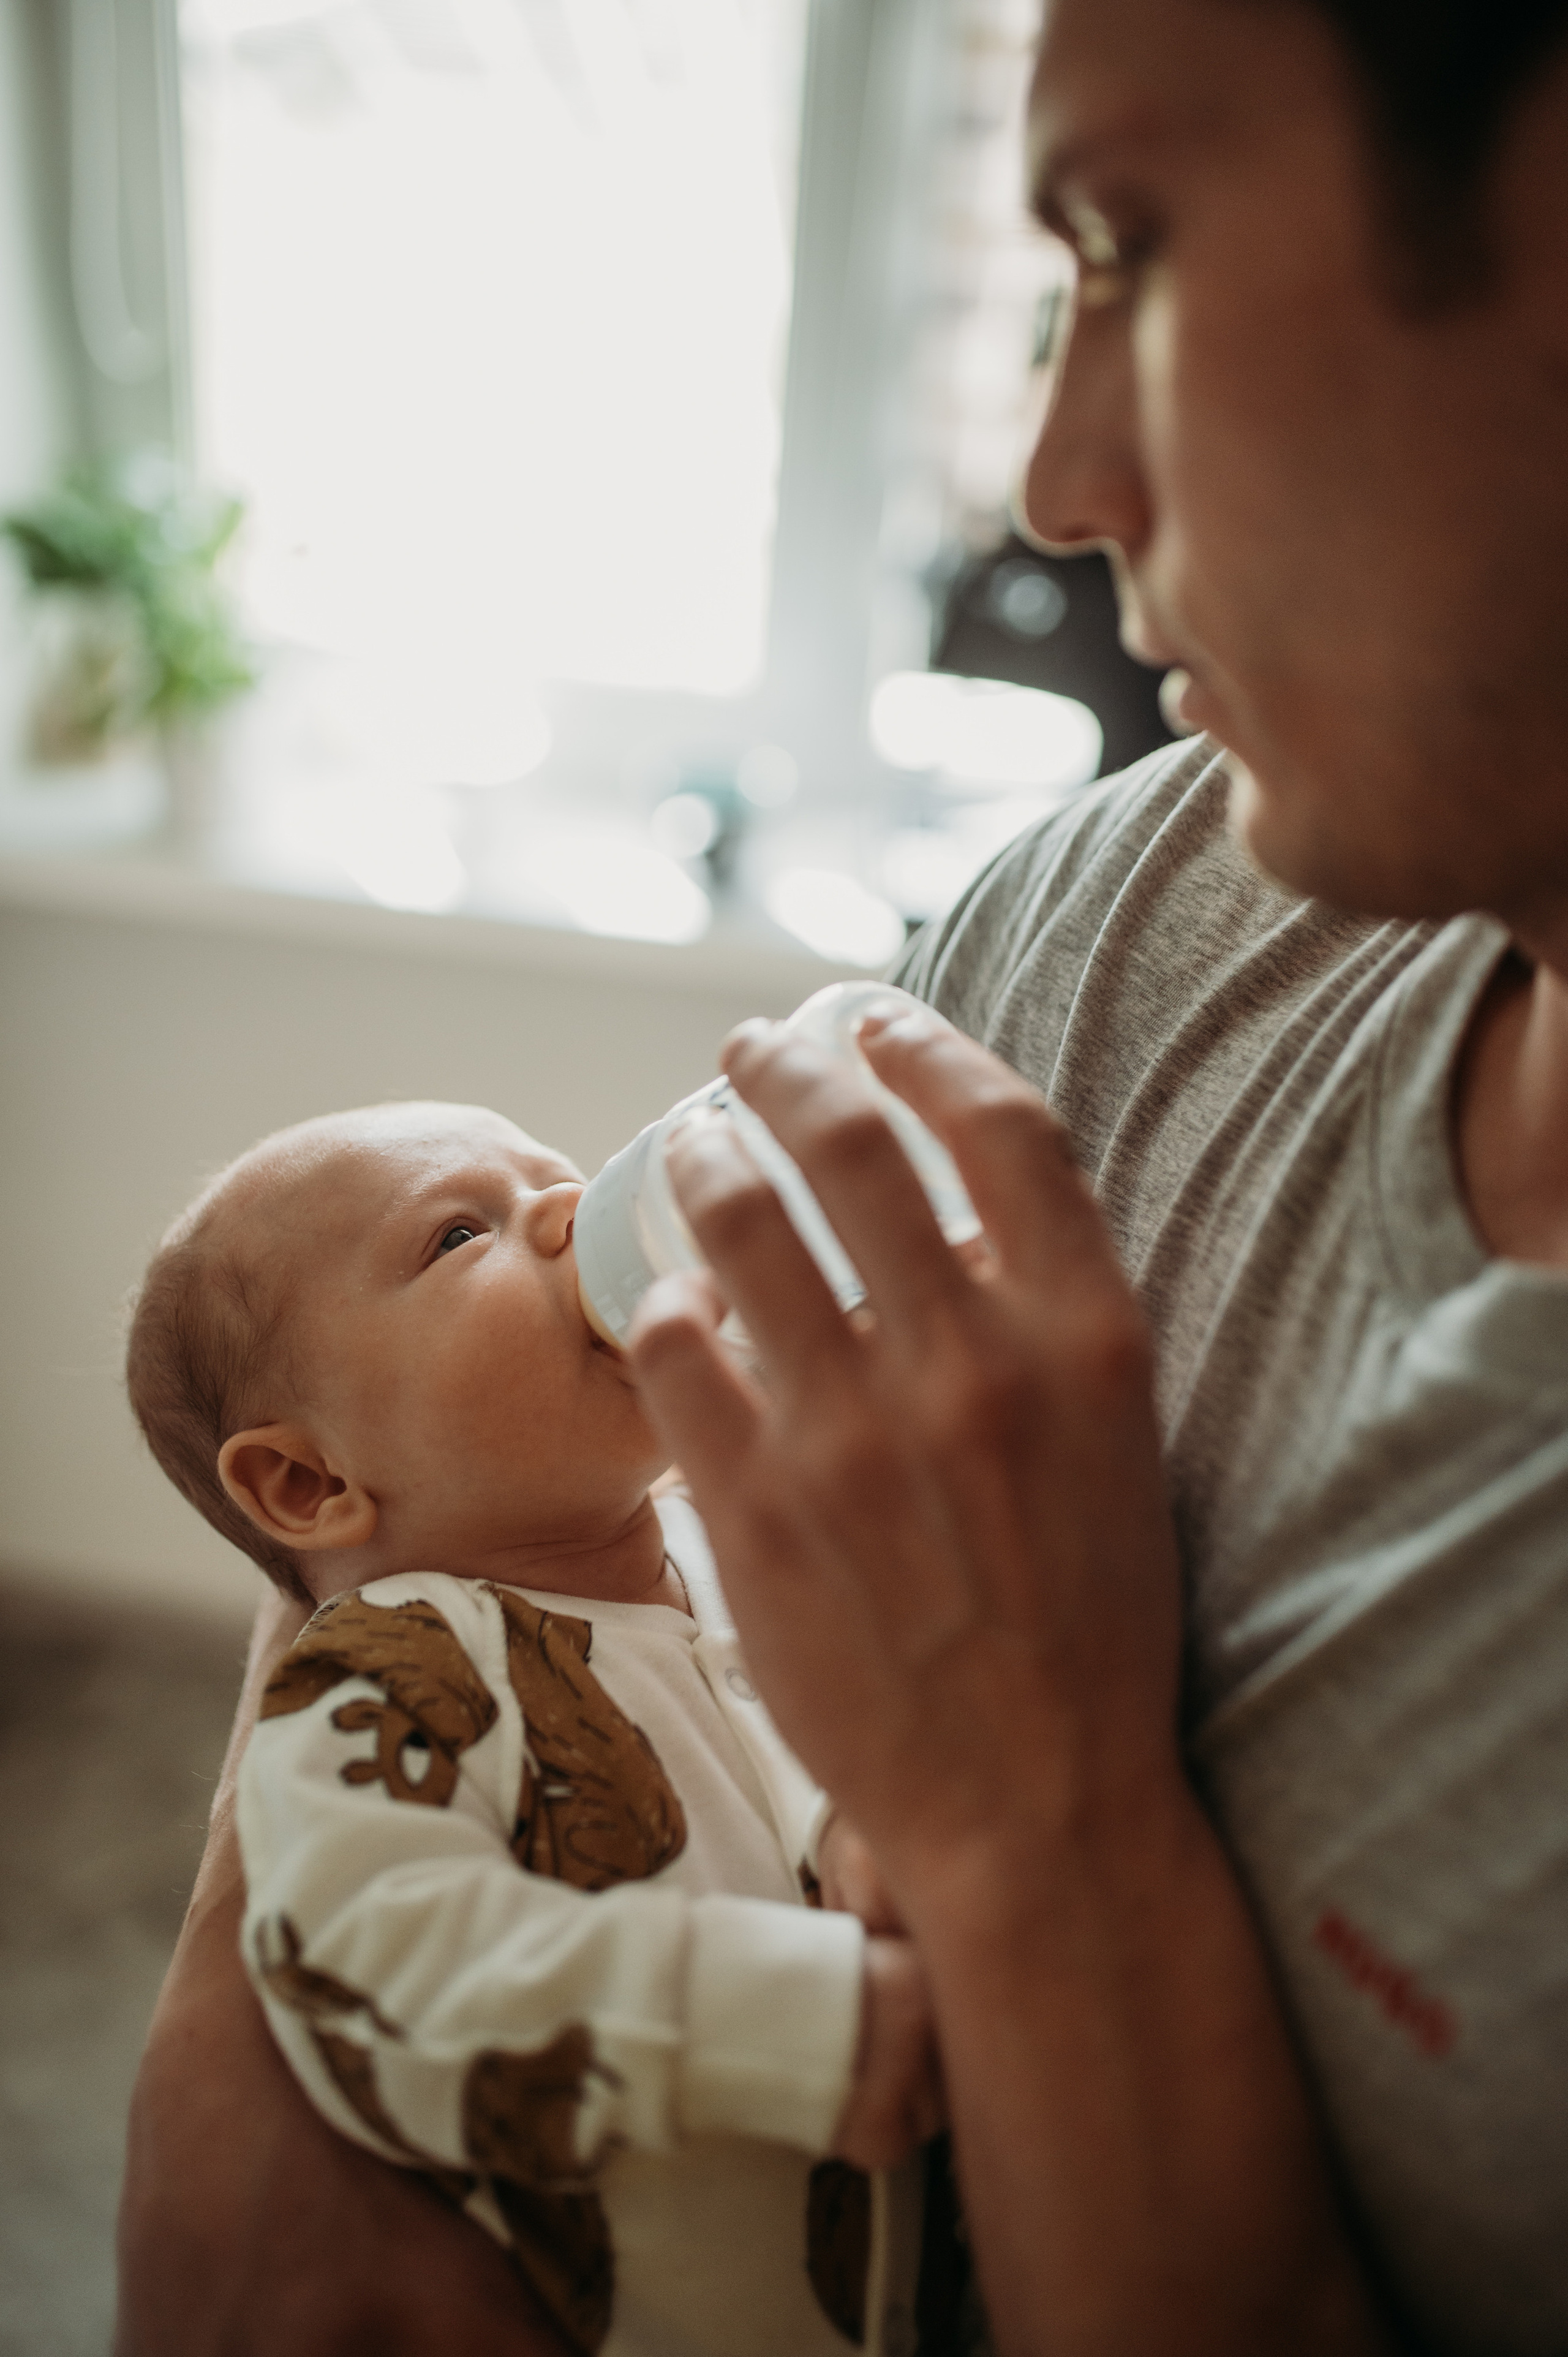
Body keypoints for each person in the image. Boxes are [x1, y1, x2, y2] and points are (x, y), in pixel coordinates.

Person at [115, 1, 1568, 2351]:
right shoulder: (1124, 904)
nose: (1054, 483)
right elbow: (364, 1700)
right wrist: (229, 2087)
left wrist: (1032, 1833)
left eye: (1140, 245)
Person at [121, 1100, 942, 2357]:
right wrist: (796, 2016)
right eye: (460, 1236)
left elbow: (826, 1720)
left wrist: (857, 1825)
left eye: (557, 1178)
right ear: (311, 1481)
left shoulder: (729, 1546)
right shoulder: (391, 1671)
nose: (569, 1213)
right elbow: (384, 1965)